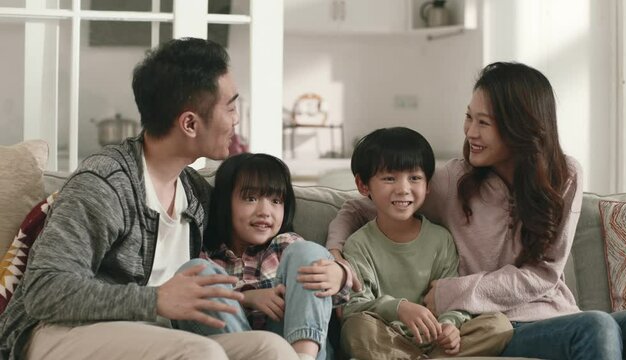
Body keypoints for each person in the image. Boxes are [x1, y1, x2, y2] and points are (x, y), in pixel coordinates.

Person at [0, 38, 296, 360]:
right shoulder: (105, 185)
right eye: (230, 106)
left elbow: (258, 233)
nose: (236, 119)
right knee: (202, 353)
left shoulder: (195, 193)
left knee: (272, 350)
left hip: (154, 336)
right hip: (60, 331)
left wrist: (336, 265)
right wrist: (154, 299)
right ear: (190, 123)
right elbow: (44, 291)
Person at [327, 62, 626, 360]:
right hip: (490, 326)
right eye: (469, 117)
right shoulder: (453, 179)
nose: (470, 132)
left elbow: (544, 273)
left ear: (520, 127)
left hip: (555, 316)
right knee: (597, 326)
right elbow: (359, 205)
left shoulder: (564, 175)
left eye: (484, 123)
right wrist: (335, 253)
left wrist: (452, 291)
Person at [338, 127, 512, 359]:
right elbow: (354, 305)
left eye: (415, 178)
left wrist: (451, 326)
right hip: (388, 338)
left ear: (428, 185)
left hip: (435, 339)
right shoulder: (358, 244)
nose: (403, 189)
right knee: (356, 328)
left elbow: (453, 297)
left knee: (499, 325)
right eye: (389, 178)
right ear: (363, 185)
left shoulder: (441, 240)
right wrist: (399, 308)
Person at [188, 152, 351, 360]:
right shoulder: (207, 257)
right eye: (251, 198)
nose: (265, 211)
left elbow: (339, 298)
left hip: (294, 347)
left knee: (307, 251)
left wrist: (340, 273)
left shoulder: (287, 246)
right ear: (224, 202)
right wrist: (246, 299)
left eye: (275, 200)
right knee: (196, 273)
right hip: (240, 349)